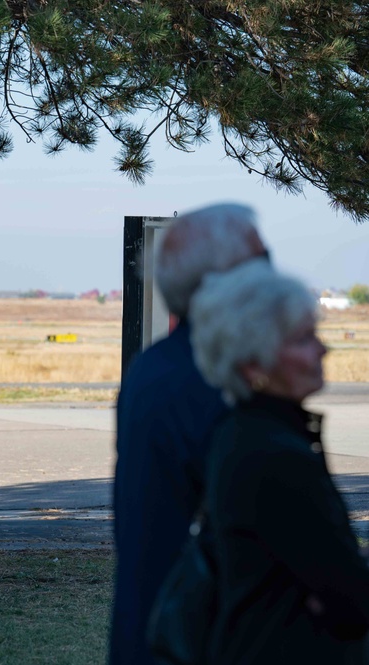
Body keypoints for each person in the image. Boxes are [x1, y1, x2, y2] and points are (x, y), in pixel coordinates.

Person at [109, 203, 269, 665]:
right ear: (221, 279)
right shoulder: (209, 377)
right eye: (260, 262)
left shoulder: (157, 367)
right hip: (195, 638)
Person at [189, 260, 369, 663]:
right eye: (304, 338)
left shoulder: (239, 432)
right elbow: (352, 598)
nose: (324, 348)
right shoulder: (276, 456)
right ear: (253, 364)